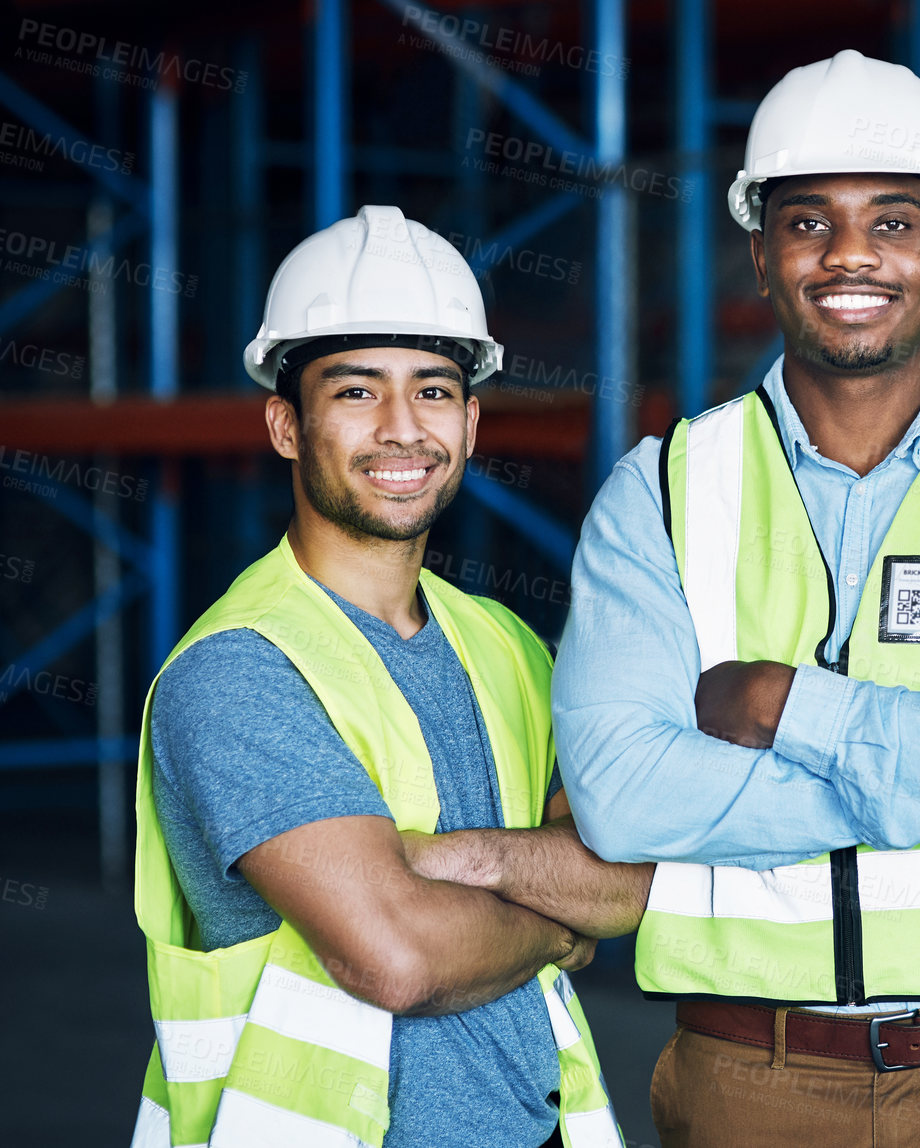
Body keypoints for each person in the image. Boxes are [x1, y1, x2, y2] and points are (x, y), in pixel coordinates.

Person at [555, 50, 920, 1147]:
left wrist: (794, 708)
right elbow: (623, 796)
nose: (851, 256)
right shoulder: (664, 489)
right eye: (808, 222)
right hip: (747, 1075)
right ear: (761, 256)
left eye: (892, 222)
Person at [131, 205, 649, 1148]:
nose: (404, 431)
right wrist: (554, 922)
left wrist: (461, 859)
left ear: (473, 420)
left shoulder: (506, 643)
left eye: (435, 392)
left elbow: (626, 889)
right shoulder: (240, 671)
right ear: (287, 425)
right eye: (358, 393)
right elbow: (397, 957)